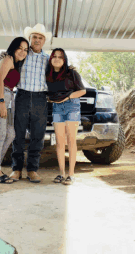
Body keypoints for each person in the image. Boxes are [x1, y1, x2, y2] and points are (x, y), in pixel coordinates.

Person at [8, 24, 52, 183]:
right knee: (18, 135)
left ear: (44, 41)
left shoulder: (48, 59)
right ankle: (16, 169)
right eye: (34, 37)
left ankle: (32, 170)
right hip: (22, 96)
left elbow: (60, 73)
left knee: (38, 136)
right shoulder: (22, 56)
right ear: (30, 39)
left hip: (41, 99)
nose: (37, 40)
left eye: (40, 38)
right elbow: (7, 63)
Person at [0, 37, 29, 184]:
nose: (23, 52)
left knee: (10, 133)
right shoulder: (8, 59)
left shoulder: (16, 63)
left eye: (25, 50)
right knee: (1, 133)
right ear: (14, 48)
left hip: (10, 97)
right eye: (20, 48)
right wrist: (2, 102)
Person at [46, 48, 86, 185]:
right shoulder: (48, 75)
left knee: (71, 140)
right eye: (54, 56)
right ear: (51, 59)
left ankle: (71, 175)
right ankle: (61, 173)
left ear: (64, 60)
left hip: (72, 106)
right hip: (57, 107)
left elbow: (82, 91)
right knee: (59, 141)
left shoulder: (71, 73)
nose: (57, 59)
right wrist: (51, 99)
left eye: (60, 57)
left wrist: (68, 97)